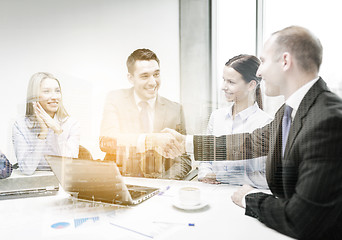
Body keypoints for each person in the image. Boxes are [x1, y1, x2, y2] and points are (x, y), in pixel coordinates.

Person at [163, 26, 342, 239]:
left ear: (285, 61)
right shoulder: (293, 110)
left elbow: (301, 220)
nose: (259, 72)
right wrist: (186, 143)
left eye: (264, 61)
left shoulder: (328, 120)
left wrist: (250, 197)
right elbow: (250, 143)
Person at [99, 48, 191, 179]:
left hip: (160, 187)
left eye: (156, 74)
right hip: (121, 184)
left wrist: (163, 183)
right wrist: (150, 140)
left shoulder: (175, 110)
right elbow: (106, 142)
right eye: (145, 76)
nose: (153, 82)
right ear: (131, 78)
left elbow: (183, 159)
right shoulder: (116, 100)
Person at [199, 54, 272, 188]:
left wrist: (222, 177)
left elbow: (266, 177)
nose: (223, 87)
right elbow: (205, 159)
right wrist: (206, 175)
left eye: (231, 82)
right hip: (212, 192)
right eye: (224, 80)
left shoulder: (266, 124)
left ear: (251, 85)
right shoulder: (216, 117)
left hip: (245, 197)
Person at [12, 72, 80, 175]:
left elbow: (70, 166)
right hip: (34, 183)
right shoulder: (21, 125)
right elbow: (27, 169)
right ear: (34, 97)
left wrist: (57, 130)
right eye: (46, 91)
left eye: (57, 91)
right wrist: (43, 133)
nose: (54, 97)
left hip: (62, 183)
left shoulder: (71, 124)